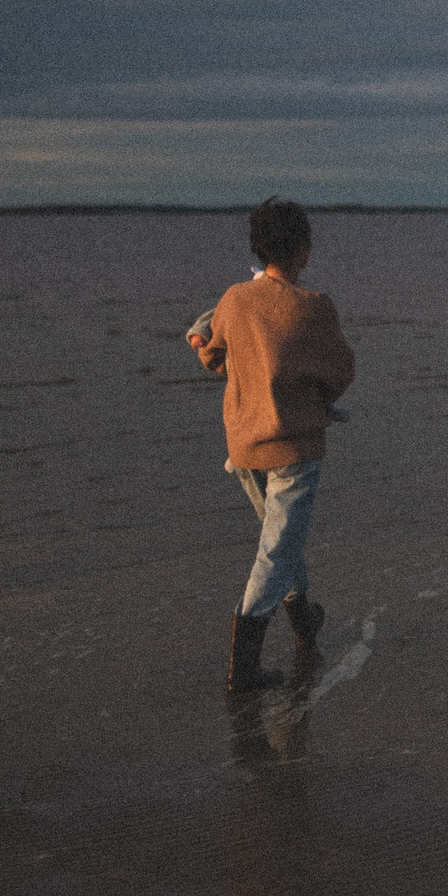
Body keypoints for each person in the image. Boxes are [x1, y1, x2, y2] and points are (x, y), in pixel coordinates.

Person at [188, 197, 356, 692]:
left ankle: (305, 620)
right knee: (277, 552)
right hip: (294, 451)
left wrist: (204, 338)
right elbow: (340, 373)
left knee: (278, 539)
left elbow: (214, 357)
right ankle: (242, 670)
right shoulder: (315, 307)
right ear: (303, 249)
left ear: (258, 250)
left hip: (242, 446)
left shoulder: (234, 300)